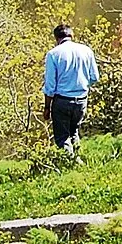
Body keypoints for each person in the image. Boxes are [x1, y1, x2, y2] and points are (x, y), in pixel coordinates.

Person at [43, 23, 100, 155]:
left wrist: (47, 107)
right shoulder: (86, 50)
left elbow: (50, 86)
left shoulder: (53, 54)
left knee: (63, 137)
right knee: (74, 131)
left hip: (62, 101)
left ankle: (70, 164)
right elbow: (95, 77)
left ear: (56, 38)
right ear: (71, 35)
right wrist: (81, 86)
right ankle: (78, 158)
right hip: (81, 100)